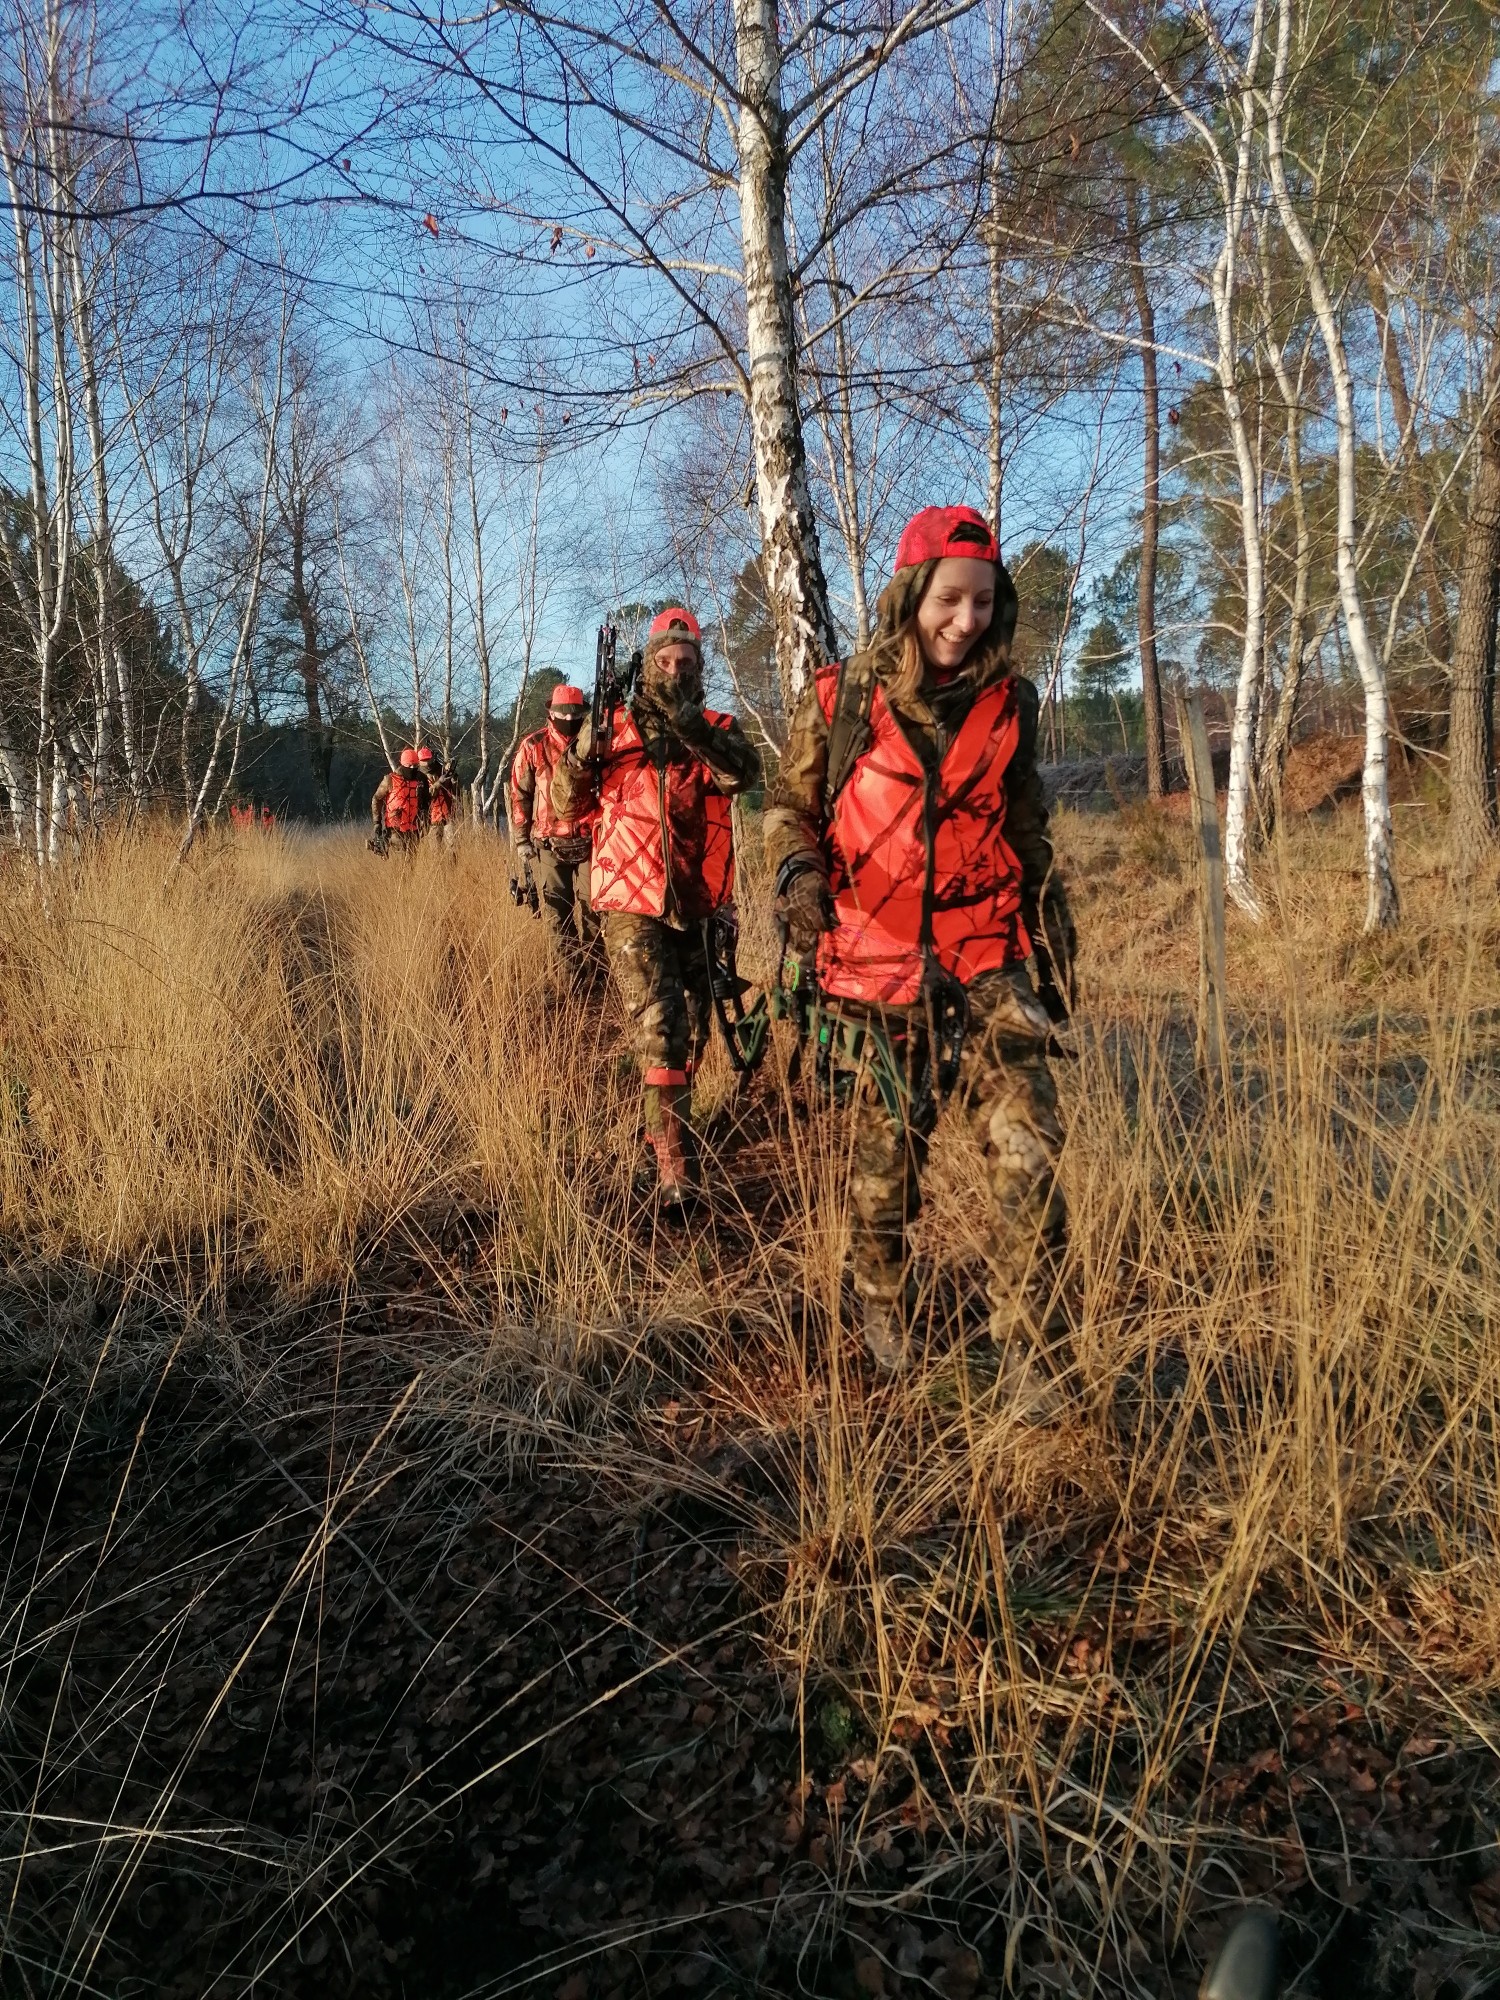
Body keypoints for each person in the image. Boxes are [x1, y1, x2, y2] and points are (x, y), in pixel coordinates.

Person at [763, 505, 1078, 1375]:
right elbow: (788, 811)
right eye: (949, 599)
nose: (965, 621)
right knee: (885, 1163)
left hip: (987, 960)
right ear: (910, 598)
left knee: (1032, 1150)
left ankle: (1029, 1352)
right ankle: (881, 1308)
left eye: (983, 602)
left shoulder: (1011, 703)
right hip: (874, 962)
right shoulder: (840, 700)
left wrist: (1050, 925)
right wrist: (798, 876)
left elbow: (1027, 824)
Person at [553, 608, 761, 1209]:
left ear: (699, 668)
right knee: (661, 1032)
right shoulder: (612, 728)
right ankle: (674, 1170)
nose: (675, 672)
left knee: (694, 1033)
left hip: (699, 900)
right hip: (630, 897)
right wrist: (581, 749)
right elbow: (566, 801)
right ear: (647, 665)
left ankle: (668, 1126)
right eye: (664, 662)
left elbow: (743, 775)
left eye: (686, 663)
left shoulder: (718, 725)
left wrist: (693, 728)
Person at [509, 686, 602, 972]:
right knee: (557, 911)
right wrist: (522, 839)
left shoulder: (595, 744)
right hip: (549, 843)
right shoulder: (533, 746)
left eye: (575, 713)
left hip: (591, 840)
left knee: (594, 909)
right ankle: (571, 972)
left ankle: (596, 970)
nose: (568, 718)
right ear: (551, 712)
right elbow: (519, 794)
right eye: (562, 712)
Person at [371, 747, 429, 856]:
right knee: (402, 858)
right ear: (402, 764)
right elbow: (376, 799)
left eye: (415, 766)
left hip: (414, 828)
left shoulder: (421, 779)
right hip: (394, 829)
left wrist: (425, 819)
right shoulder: (390, 779)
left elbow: (426, 801)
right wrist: (377, 823)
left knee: (412, 860)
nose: (412, 768)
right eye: (409, 766)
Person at [422, 746, 459, 849]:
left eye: (428, 759)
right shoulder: (419, 777)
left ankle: (453, 865)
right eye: (424, 760)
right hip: (432, 819)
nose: (427, 763)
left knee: (452, 847)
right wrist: (439, 783)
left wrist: (453, 779)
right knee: (435, 851)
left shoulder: (440, 771)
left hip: (448, 815)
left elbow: (455, 792)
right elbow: (428, 796)